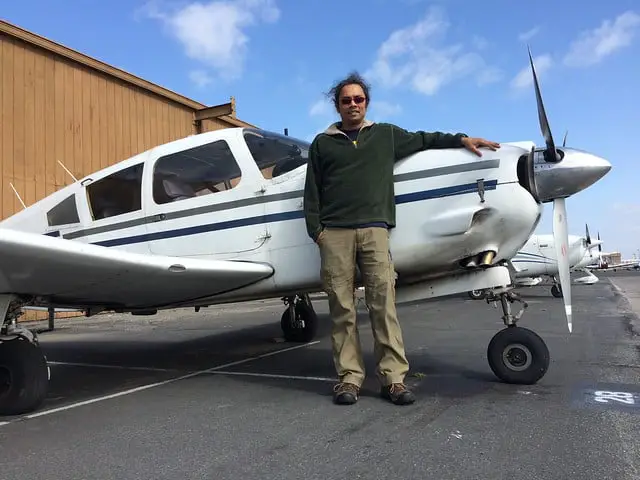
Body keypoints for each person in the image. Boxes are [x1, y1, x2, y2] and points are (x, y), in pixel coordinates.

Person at [303, 72, 500, 406]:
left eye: (359, 99)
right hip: (334, 233)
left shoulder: (385, 135)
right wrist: (317, 231)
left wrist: (462, 139)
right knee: (342, 307)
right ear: (337, 106)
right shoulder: (323, 144)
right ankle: (349, 379)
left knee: (383, 304)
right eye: (346, 100)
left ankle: (393, 380)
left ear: (367, 103)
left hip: (375, 230)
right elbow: (312, 192)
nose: (353, 105)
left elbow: (424, 139)